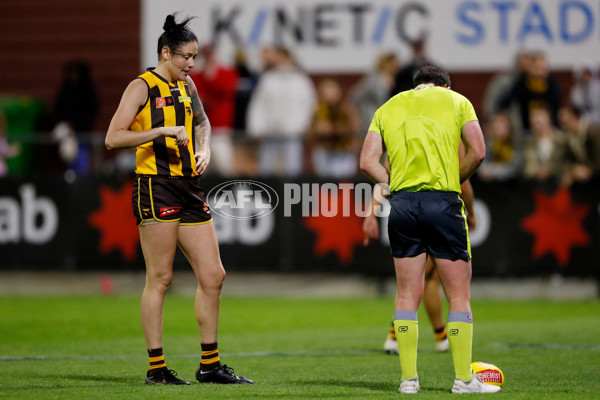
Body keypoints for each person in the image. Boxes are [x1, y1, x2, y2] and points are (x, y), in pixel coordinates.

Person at [104, 14, 252, 386]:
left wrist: (205, 147)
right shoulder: (142, 86)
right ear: (166, 52)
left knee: (213, 275)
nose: (191, 63)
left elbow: (203, 123)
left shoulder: (188, 87)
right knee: (161, 277)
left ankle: (210, 365)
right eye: (185, 56)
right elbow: (113, 137)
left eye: (195, 56)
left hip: (188, 186)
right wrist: (161, 131)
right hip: (156, 185)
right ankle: (157, 368)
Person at [359, 65, 499, 394]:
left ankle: (408, 381)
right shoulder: (457, 101)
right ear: (444, 85)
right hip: (444, 204)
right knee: (458, 295)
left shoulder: (388, 107)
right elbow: (478, 152)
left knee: (407, 294)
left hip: (404, 206)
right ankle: (464, 379)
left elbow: (367, 161)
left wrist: (396, 184)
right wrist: (453, 177)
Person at [364, 149, 477, 355]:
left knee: (418, 280)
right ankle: (403, 335)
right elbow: (466, 177)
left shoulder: (400, 126)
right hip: (440, 207)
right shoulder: (448, 126)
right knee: (445, 285)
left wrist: (372, 212)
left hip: (404, 209)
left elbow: (383, 174)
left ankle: (420, 346)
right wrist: (472, 213)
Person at [246, 45, 316, 177]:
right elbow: (259, 105)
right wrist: (256, 126)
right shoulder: (268, 79)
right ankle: (266, 190)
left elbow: (310, 104)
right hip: (270, 129)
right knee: (266, 164)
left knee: (292, 165)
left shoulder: (301, 80)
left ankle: (290, 192)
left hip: (292, 130)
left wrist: (302, 124)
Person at [189, 43, 238, 176]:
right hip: (199, 129)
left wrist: (212, 72)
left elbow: (226, 88)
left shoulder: (226, 72)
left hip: (220, 128)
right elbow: (191, 92)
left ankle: (231, 194)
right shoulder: (196, 75)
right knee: (199, 168)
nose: (208, 58)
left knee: (225, 167)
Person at [309, 78, 361, 178]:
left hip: (344, 153)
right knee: (326, 186)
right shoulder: (318, 110)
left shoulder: (346, 108)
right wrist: (318, 130)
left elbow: (356, 127)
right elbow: (311, 131)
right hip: (325, 152)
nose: (330, 97)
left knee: (344, 185)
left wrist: (334, 129)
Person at [54, 61, 99, 174]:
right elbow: (58, 109)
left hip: (83, 134)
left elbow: (92, 111)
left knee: (82, 165)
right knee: (69, 161)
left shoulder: (88, 91)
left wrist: (78, 123)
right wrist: (66, 124)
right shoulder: (65, 91)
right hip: (67, 135)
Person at [351, 52, 399, 137]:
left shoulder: (398, 81)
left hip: (391, 124)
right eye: (393, 63)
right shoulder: (372, 80)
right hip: (372, 122)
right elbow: (354, 97)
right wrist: (358, 117)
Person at [558, 105, 600, 186]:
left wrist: (588, 170)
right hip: (583, 180)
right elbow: (562, 160)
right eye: (561, 124)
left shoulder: (594, 132)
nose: (563, 127)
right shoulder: (568, 138)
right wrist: (573, 169)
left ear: (575, 118)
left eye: (565, 123)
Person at [478, 112, 523, 182]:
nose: (498, 127)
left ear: (509, 127)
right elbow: (480, 164)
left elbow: (515, 168)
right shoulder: (487, 142)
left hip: (511, 184)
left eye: (502, 124)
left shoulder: (516, 144)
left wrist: (493, 172)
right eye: (496, 124)